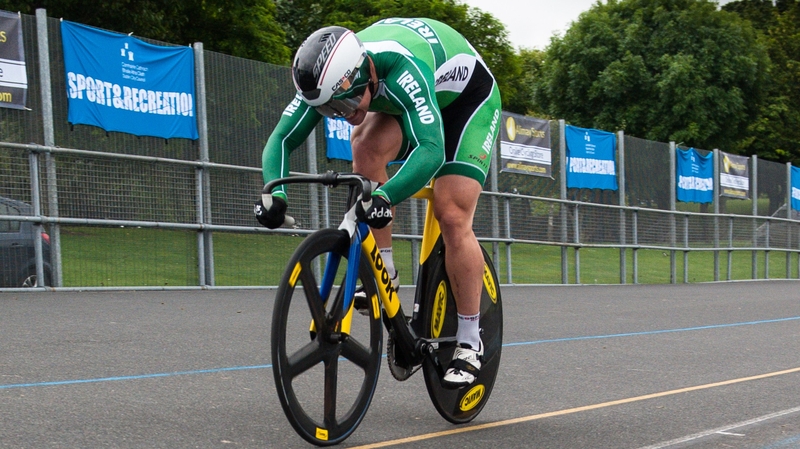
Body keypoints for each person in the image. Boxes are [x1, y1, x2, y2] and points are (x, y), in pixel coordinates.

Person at [255, 17, 501, 388]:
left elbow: (431, 149)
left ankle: (469, 341)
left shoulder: (401, 68)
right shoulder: (327, 79)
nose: (347, 112)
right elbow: (281, 139)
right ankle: (385, 271)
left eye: (352, 100)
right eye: (332, 110)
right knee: (364, 144)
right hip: (414, 100)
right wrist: (275, 193)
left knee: (451, 212)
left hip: (467, 103)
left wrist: (384, 197)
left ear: (365, 73)